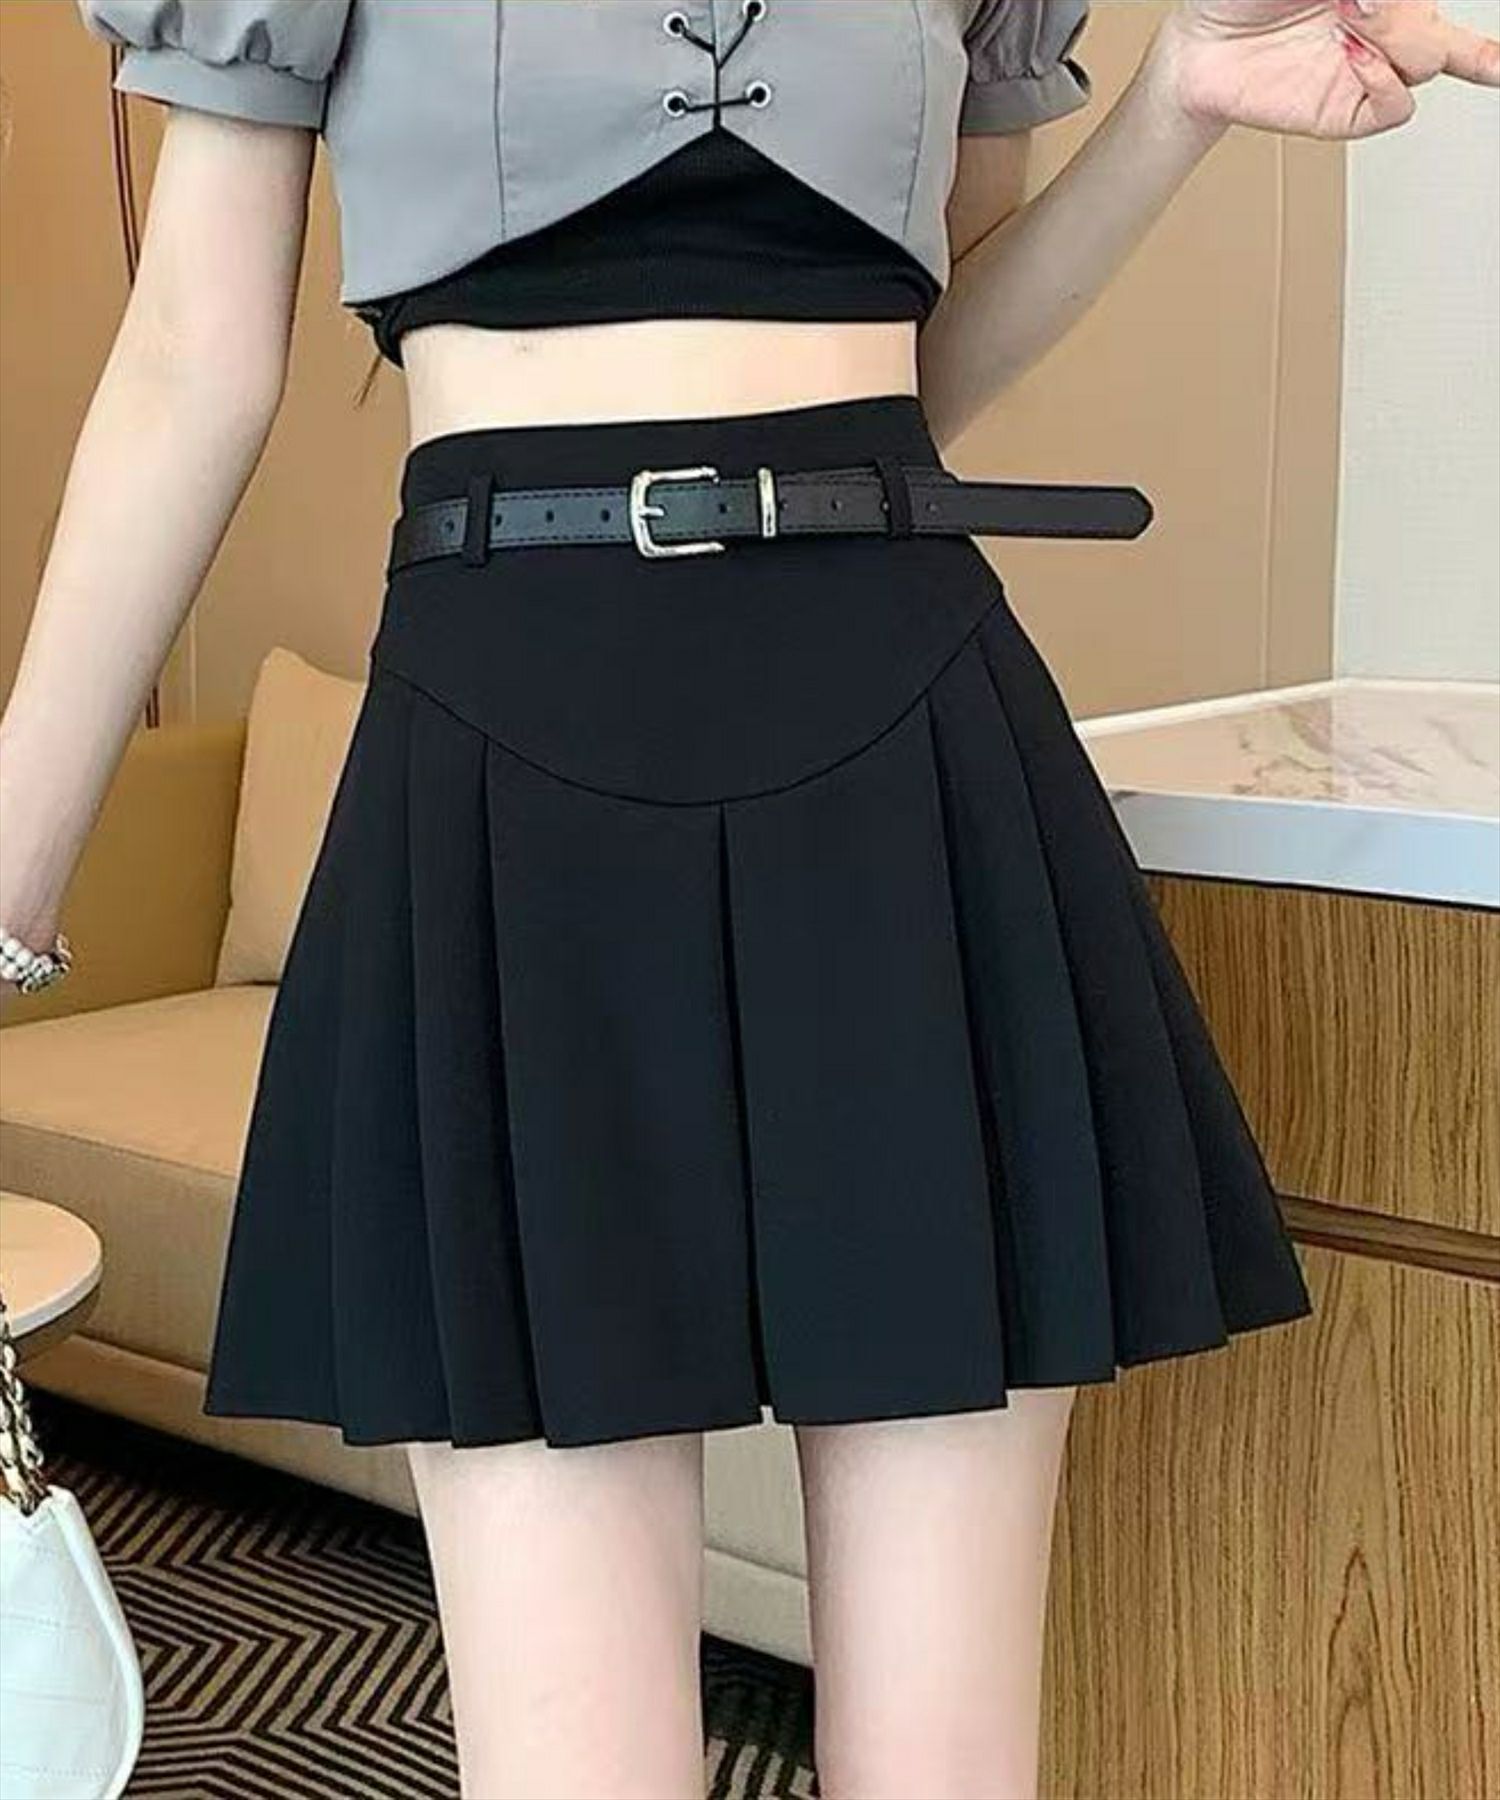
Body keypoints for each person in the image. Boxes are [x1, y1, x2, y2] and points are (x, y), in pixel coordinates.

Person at [3, 3, 1493, 1796]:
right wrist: (11, 879)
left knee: (946, 1765)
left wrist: (1176, 101)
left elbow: (935, 361)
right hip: (506, 774)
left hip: (903, 743)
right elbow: (191, 355)